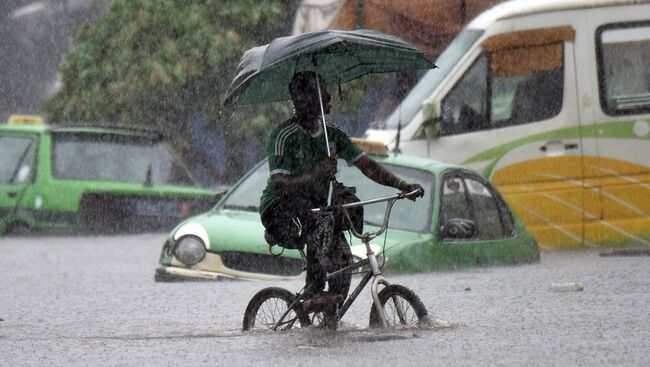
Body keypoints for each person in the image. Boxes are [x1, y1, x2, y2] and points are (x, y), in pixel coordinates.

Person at [259, 71, 423, 309]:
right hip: (281, 209)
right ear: (305, 100)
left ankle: (330, 313)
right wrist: (317, 174)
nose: (329, 98)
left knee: (345, 232)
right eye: (323, 93)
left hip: (316, 207)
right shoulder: (284, 136)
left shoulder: (332, 135)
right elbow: (280, 185)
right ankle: (313, 291)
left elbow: (367, 166)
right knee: (320, 220)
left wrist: (401, 185)